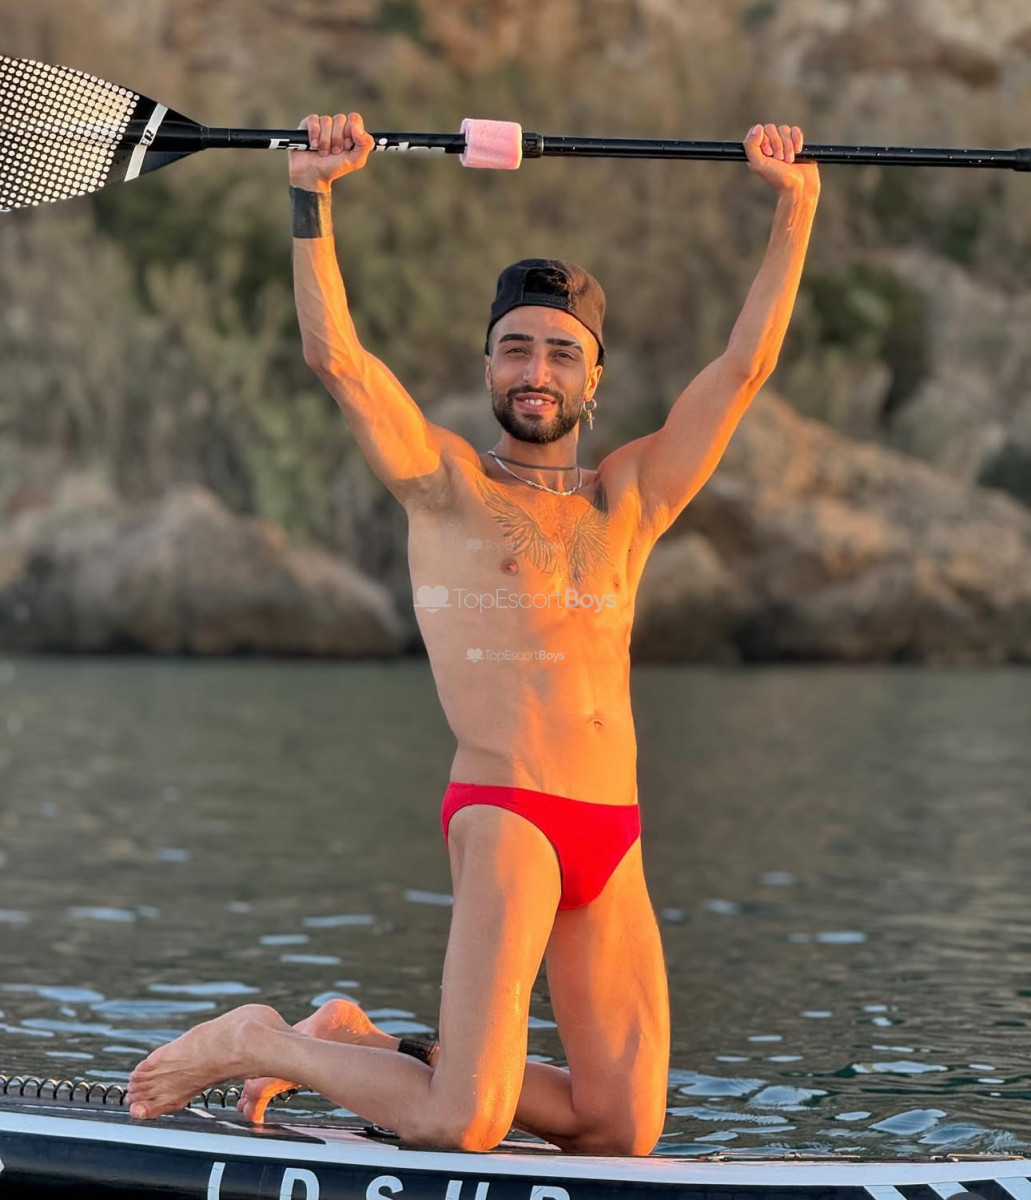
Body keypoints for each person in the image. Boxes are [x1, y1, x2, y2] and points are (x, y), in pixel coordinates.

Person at [126, 113, 820, 1153]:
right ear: (488, 366)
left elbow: (742, 368)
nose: (535, 370)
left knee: (619, 1127)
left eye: (559, 353)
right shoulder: (446, 484)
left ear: (592, 378)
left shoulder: (630, 497)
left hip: (611, 830)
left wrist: (795, 205)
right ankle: (258, 1041)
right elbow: (338, 361)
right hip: (508, 815)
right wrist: (312, 195)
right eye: (514, 350)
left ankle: (360, 1041)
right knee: (463, 1122)